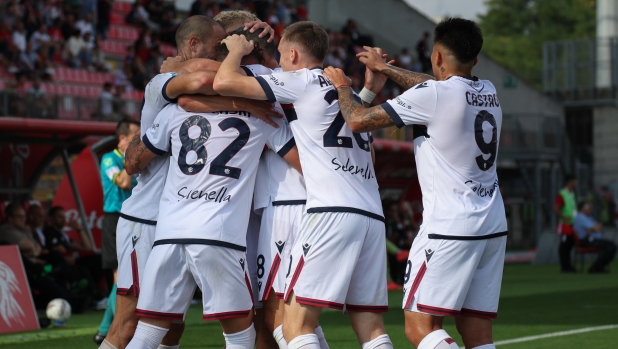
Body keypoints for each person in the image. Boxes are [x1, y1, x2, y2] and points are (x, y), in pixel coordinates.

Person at [324, 17, 507, 349]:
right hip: (492, 224)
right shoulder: (489, 91)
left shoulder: (434, 95)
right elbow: (431, 85)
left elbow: (356, 120)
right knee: (477, 334)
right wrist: (387, 68)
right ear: (475, 59)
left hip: (450, 225)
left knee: (420, 328)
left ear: (436, 56)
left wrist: (342, 87)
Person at [213, 21, 393, 349]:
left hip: (329, 211)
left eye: (282, 56)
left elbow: (223, 81)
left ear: (294, 55)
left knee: (293, 326)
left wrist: (237, 50)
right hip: (371, 213)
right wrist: (367, 92)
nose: (279, 63)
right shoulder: (348, 94)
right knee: (371, 327)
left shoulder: (302, 81)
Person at [105, 15, 279, 349]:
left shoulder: (177, 107)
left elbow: (136, 155)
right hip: (193, 227)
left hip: (169, 229)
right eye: (218, 45)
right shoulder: (264, 107)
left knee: (155, 330)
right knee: (242, 334)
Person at [95, 119, 140, 345]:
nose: (138, 140)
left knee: (127, 277)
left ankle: (104, 331)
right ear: (122, 139)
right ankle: (108, 330)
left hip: (135, 220)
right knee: (119, 277)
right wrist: (130, 156)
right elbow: (122, 182)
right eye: (135, 136)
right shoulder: (110, 159)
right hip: (115, 219)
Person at [572, 201, 617, 273]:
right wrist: (594, 228)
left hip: (593, 239)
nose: (591, 209)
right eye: (588, 208)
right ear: (582, 209)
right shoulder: (581, 217)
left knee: (612, 245)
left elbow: (599, 227)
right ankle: (595, 268)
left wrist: (592, 229)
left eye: (591, 207)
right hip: (586, 240)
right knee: (610, 247)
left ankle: (598, 267)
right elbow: (596, 228)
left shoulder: (589, 217)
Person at [554, 175, 578, 273]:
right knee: (564, 245)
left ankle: (568, 265)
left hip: (572, 223)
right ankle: (565, 267)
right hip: (565, 224)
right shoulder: (562, 193)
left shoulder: (571, 193)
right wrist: (563, 216)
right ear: (571, 181)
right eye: (575, 181)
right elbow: (555, 208)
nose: (576, 183)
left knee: (570, 244)